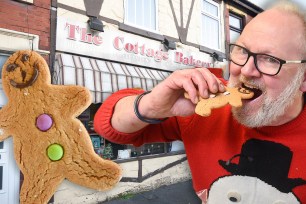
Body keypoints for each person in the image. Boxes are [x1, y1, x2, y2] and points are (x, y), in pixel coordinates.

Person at [94, 0, 306, 203]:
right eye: (242, 51)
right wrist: (153, 105)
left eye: (270, 59)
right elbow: (110, 126)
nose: (246, 70)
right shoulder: (201, 104)